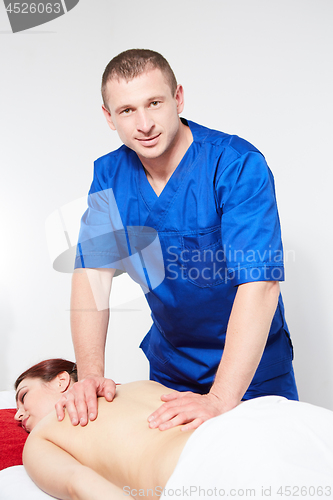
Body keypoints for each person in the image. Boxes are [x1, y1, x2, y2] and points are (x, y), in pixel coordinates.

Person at [56, 48, 298, 432]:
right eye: (127, 110)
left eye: (154, 103)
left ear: (178, 98)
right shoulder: (110, 175)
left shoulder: (234, 165)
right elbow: (92, 276)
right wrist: (89, 375)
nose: (145, 123)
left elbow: (261, 284)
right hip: (172, 368)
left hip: (251, 372)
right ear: (108, 117)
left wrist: (220, 399)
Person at [14, 359, 333, 500]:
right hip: (278, 418)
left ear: (60, 380)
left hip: (213, 467)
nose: (17, 414)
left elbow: (79, 485)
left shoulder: (43, 437)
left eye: (23, 396)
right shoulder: (140, 385)